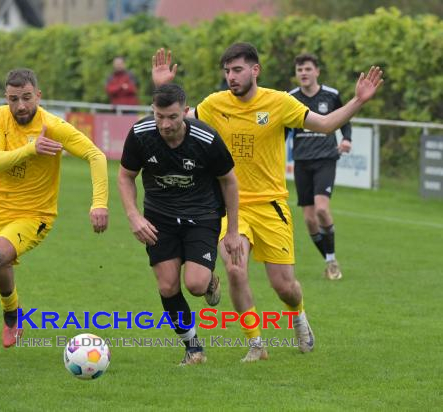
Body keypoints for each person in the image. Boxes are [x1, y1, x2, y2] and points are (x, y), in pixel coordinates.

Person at [152, 44, 383, 361]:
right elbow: (173, 120)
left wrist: (358, 100)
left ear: (254, 70)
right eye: (227, 71)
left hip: (271, 206)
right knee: (235, 270)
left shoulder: (279, 103)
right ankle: (256, 344)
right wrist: (164, 87)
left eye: (237, 70)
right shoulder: (214, 104)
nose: (231, 77)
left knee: (284, 285)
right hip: (229, 208)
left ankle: (299, 317)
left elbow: (327, 125)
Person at [0, 68, 109, 359]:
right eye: (13, 99)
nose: (20, 106)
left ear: (38, 94)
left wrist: (99, 203)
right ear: (5, 98)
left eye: (26, 98)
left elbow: (95, 155)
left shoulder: (53, 125)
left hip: (35, 214)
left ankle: (13, 313)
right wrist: (31, 148)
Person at [118, 83, 242, 366]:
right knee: (167, 286)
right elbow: (126, 176)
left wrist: (232, 232)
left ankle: (209, 278)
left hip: (202, 215)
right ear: (153, 111)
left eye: (172, 117)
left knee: (196, 285)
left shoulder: (206, 138)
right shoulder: (140, 134)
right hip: (159, 217)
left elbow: (229, 181)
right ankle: (193, 348)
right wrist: (133, 215)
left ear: (186, 112)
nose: (165, 123)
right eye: (159, 116)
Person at [288, 53, 352, 280]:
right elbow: (284, 129)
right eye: (299, 70)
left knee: (322, 209)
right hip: (302, 161)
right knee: (309, 219)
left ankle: (331, 259)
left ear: (317, 71)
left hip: (326, 158)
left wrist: (346, 139)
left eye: (307, 69)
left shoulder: (332, 95)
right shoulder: (290, 98)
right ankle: (329, 260)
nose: (303, 73)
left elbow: (344, 118)